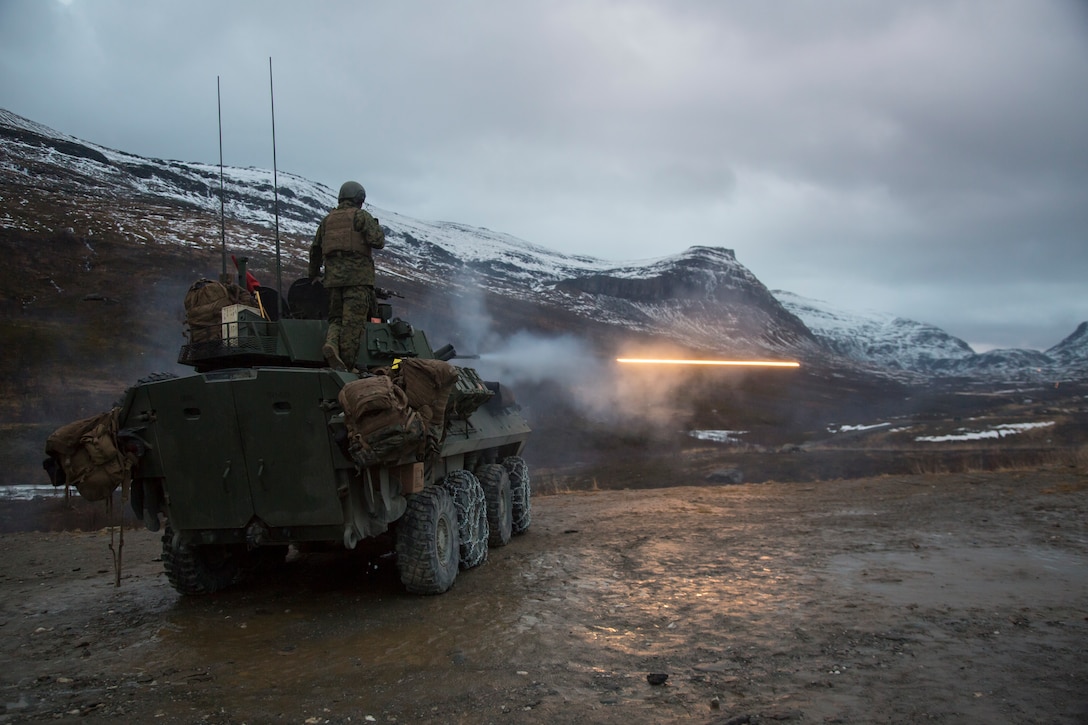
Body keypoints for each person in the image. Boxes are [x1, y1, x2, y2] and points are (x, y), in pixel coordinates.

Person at [308, 180, 385, 371]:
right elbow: (378, 241)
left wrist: (314, 274)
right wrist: (374, 225)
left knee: (336, 319)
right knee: (353, 325)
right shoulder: (361, 217)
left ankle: (331, 344)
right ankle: (346, 368)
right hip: (358, 280)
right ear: (359, 198)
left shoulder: (328, 220)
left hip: (333, 281)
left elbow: (315, 249)